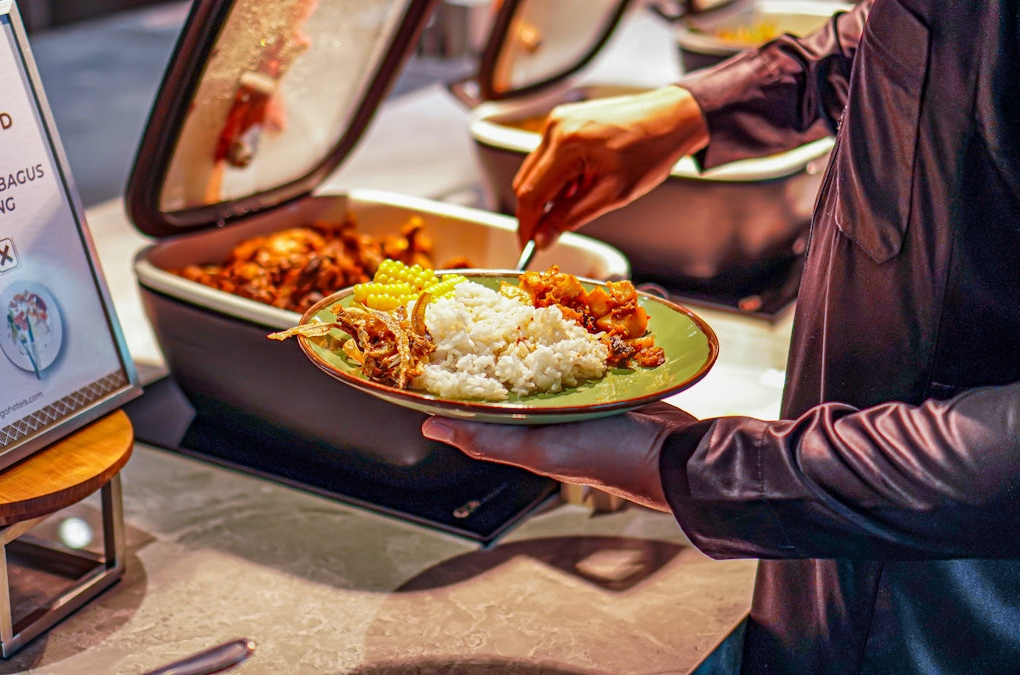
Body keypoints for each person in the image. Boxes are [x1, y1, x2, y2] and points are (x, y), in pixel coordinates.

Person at [421, 1, 1020, 671]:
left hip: (954, 620)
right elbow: (932, 37)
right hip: (826, 567)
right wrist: (700, 110)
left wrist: (691, 468)